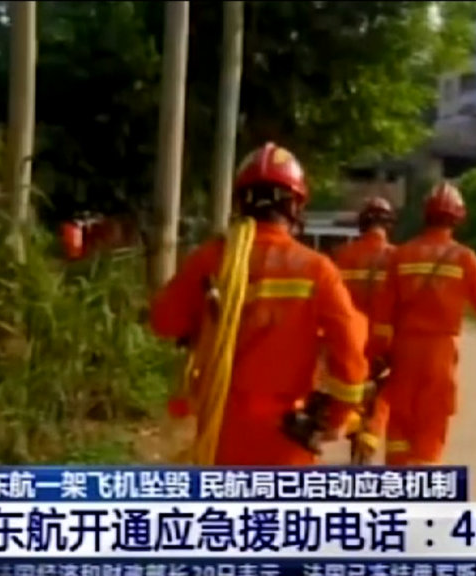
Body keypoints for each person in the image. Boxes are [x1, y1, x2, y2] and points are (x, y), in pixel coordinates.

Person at [149, 142, 370, 465]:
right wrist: (337, 417)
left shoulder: (211, 259)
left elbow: (164, 321)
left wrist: (201, 322)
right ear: (294, 205)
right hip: (287, 436)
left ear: (241, 201)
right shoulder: (316, 269)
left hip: (223, 428)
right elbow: (350, 350)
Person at [368, 181, 476, 466]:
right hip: (440, 353)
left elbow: (383, 312)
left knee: (400, 416)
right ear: (458, 217)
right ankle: (424, 473)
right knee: (432, 417)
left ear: (426, 214)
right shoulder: (464, 258)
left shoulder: (401, 255)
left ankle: (398, 475)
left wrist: (377, 351)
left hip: (404, 352)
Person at [330, 196, 398, 462]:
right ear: (388, 224)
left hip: (350, 340)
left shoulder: (342, 256)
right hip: (384, 344)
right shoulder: (398, 258)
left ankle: (355, 433)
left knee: (351, 390)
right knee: (384, 393)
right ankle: (369, 439)